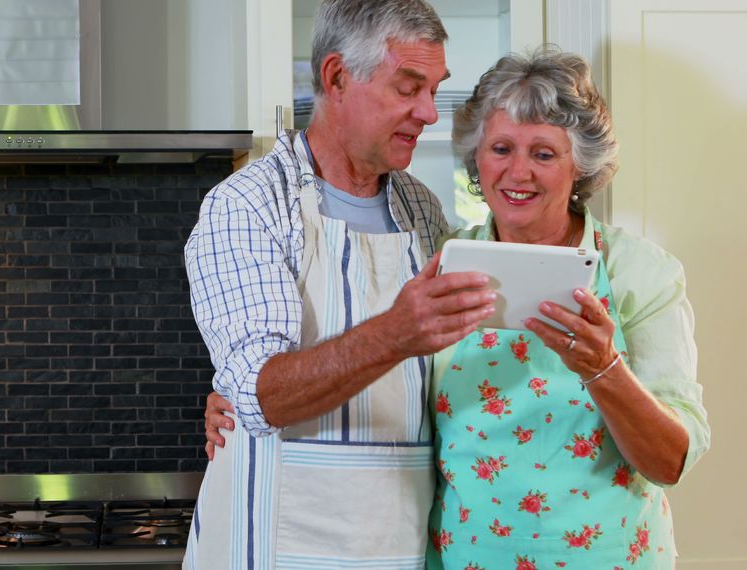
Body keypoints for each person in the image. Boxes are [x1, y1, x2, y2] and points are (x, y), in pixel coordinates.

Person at [205, 47, 711, 568]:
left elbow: (670, 460)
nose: (518, 173)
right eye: (500, 148)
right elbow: (362, 340)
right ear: (476, 157)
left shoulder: (641, 274)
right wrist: (238, 392)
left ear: (579, 165)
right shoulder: (437, 257)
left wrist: (605, 369)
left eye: (543, 153)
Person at [181, 1, 498, 568]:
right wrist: (396, 333)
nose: (429, 112)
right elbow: (258, 396)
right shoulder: (248, 205)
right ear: (337, 77)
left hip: (396, 544)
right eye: (408, 87)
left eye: (434, 89)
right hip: (273, 545)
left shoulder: (422, 211)